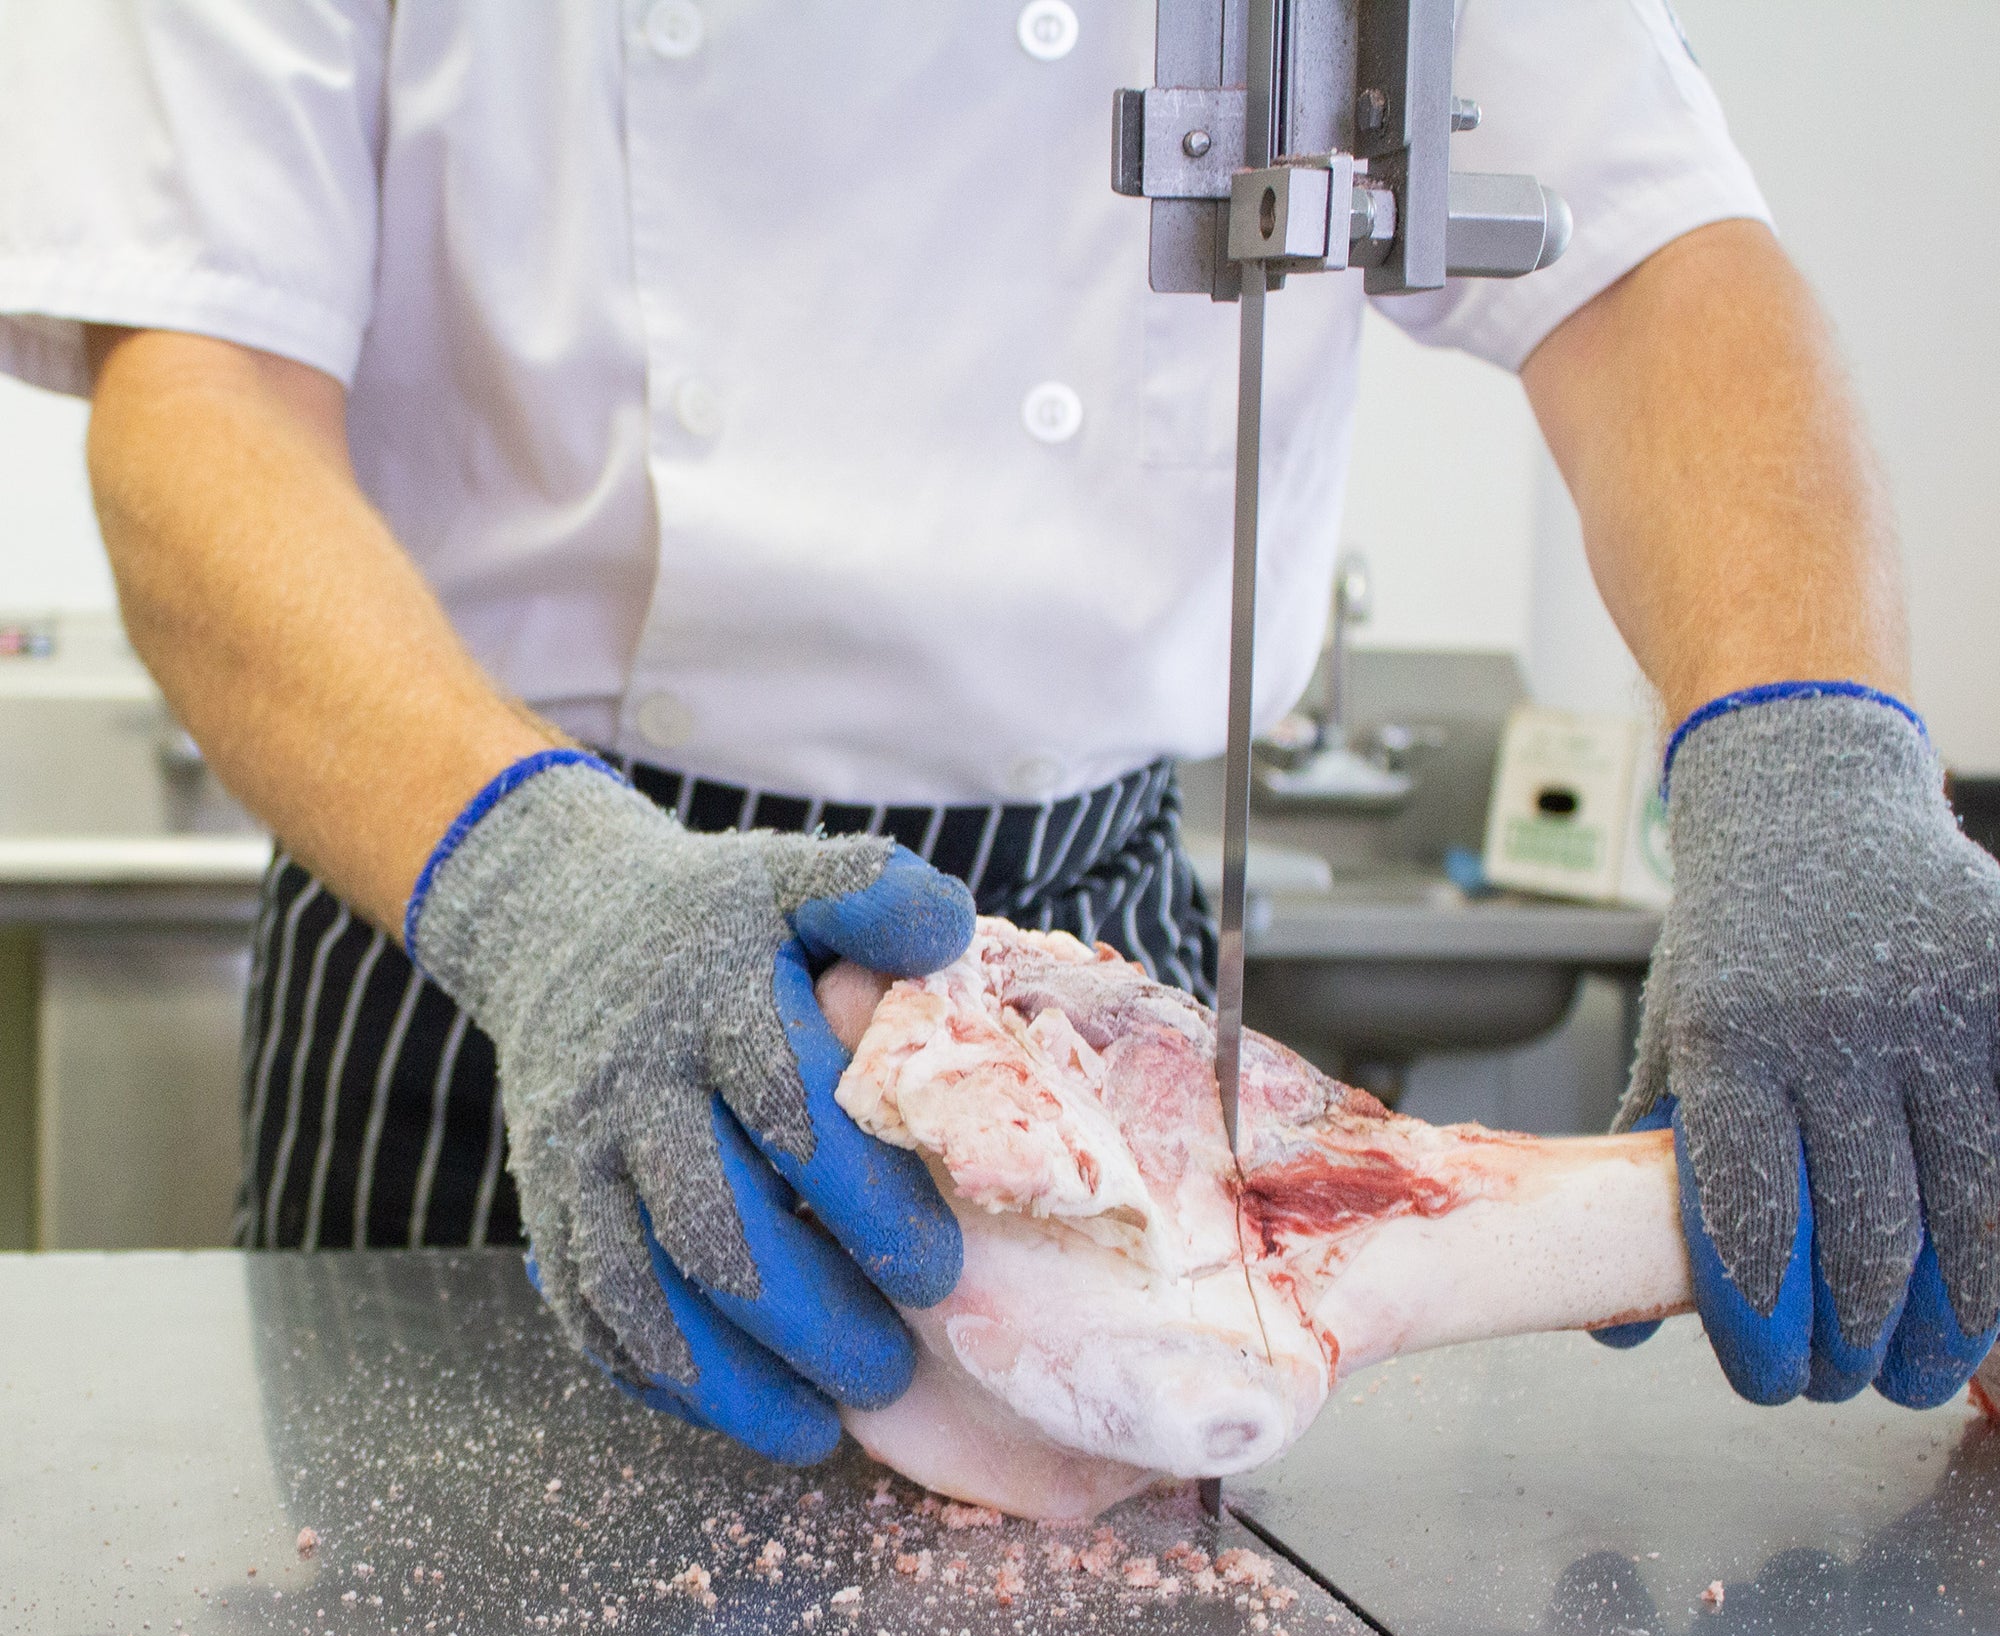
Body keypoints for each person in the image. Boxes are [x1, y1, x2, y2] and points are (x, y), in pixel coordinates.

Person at [2, 3, 1991, 1459]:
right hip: (489, 904)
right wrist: (538, 891)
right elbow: (198, 404)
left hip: (1085, 921)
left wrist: (1810, 762)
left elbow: (1653, 263)